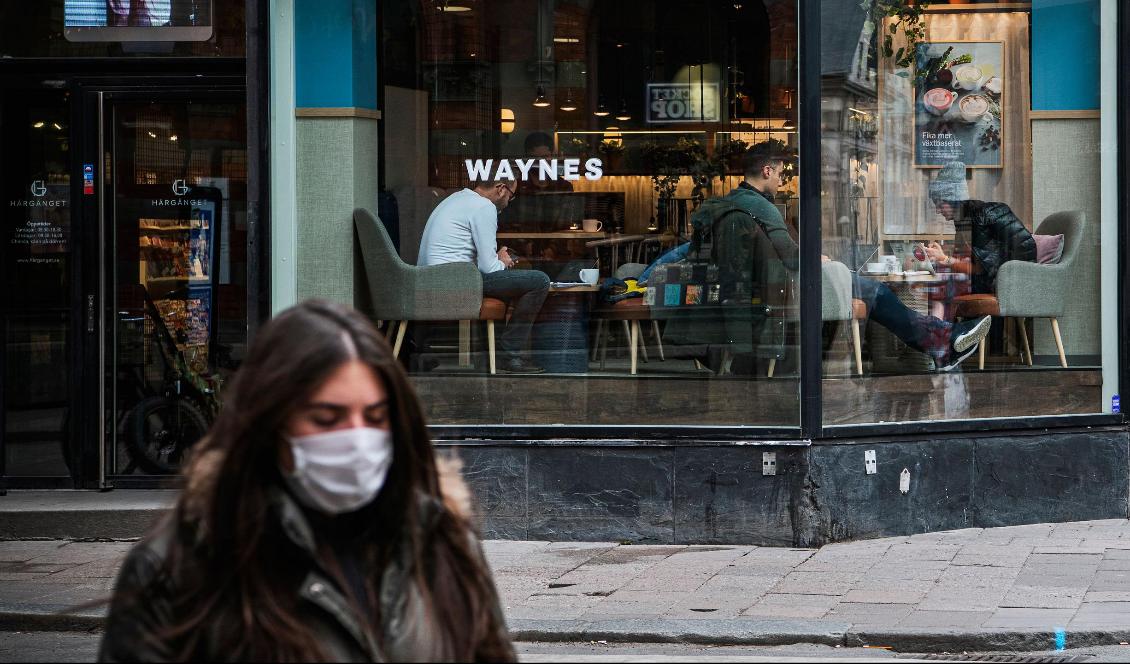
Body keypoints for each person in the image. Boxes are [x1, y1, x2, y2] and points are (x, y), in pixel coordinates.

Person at [98, 300, 517, 662]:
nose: (357, 438)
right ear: (271, 421)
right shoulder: (183, 565)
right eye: (326, 418)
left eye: (375, 417)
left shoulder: (441, 539)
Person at [654, 143, 992, 372]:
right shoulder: (761, 207)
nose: (784, 177)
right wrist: (819, 260)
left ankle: (943, 341)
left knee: (866, 288)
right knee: (874, 291)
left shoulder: (725, 203)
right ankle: (943, 342)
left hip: (747, 292)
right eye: (782, 171)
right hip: (779, 291)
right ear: (768, 171)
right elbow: (790, 257)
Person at [418, 179, 550, 374]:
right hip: (456, 281)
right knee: (539, 281)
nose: (509, 202)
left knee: (504, 287)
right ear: (500, 189)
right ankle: (509, 355)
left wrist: (496, 259)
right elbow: (490, 269)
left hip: (433, 279)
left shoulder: (456, 199)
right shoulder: (484, 207)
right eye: (511, 196)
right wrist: (503, 261)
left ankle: (490, 356)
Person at [923, 161, 1036, 296]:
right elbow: (970, 261)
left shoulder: (980, 217)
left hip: (1017, 281)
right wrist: (944, 256)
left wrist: (944, 259)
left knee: (940, 291)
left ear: (954, 200)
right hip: (1002, 277)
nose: (938, 210)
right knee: (940, 289)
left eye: (940, 205)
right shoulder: (964, 218)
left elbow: (979, 269)